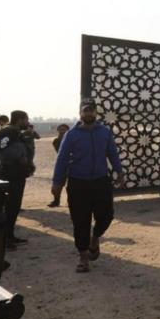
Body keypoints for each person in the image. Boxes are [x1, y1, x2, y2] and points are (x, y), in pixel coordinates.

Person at [51, 99, 124, 273]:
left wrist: (119, 172)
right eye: (85, 111)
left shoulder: (105, 132)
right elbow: (61, 159)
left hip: (100, 181)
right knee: (80, 220)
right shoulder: (72, 135)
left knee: (106, 215)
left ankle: (95, 237)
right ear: (80, 114)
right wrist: (57, 182)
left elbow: (112, 152)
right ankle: (83, 257)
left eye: (91, 111)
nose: (88, 114)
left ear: (96, 113)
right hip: (78, 183)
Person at [0, 110, 33, 250]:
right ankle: (6, 239)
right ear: (19, 119)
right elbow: (3, 149)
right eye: (26, 119)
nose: (27, 122)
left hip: (18, 173)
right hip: (11, 173)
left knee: (14, 206)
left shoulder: (16, 132)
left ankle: (9, 236)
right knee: (10, 206)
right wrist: (20, 157)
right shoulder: (9, 131)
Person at [48, 124, 71, 207]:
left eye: (64, 129)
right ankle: (56, 201)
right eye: (60, 129)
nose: (62, 131)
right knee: (58, 184)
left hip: (72, 164)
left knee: (71, 185)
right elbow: (60, 152)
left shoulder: (73, 139)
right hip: (62, 164)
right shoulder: (56, 141)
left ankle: (71, 201)